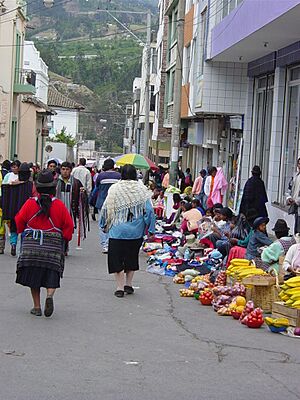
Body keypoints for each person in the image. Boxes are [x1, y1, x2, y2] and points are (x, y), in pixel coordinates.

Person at [15, 171, 74, 317]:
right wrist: (65, 239)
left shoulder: (30, 203)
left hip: (32, 247)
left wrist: (23, 231)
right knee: (51, 274)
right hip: (52, 248)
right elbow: (68, 225)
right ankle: (49, 296)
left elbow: (19, 221)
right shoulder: (59, 205)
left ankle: (36, 306)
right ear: (53, 188)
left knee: (33, 276)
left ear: (37, 187)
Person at [99, 164, 156, 298]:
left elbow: (106, 208)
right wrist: (151, 229)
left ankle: (119, 287)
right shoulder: (142, 189)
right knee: (131, 257)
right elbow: (149, 211)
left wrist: (103, 224)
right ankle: (128, 285)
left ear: (122, 175)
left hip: (117, 230)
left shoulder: (115, 189)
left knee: (116, 259)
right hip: (135, 231)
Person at [1, 163, 35, 256]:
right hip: (26, 212)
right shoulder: (31, 185)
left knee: (13, 229)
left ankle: (13, 244)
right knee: (25, 230)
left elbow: (6, 197)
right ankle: (23, 247)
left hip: (13, 211)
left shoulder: (12, 184)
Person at [56, 161, 84, 255]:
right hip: (57, 210)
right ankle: (59, 246)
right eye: (63, 169)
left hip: (70, 210)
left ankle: (65, 245)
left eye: (67, 169)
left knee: (67, 229)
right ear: (60, 170)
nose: (65, 171)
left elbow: (82, 197)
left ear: (70, 171)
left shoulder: (76, 182)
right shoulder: (55, 182)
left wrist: (82, 193)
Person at [95, 159, 121, 253]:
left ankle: (105, 245)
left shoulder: (101, 175)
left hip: (102, 202)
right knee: (113, 223)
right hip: (115, 203)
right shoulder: (119, 176)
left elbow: (97, 186)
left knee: (102, 224)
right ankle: (110, 242)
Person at [287, 157, 300, 233]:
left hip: (297, 204)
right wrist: (289, 198)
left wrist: (296, 201)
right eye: (298, 164)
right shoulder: (295, 176)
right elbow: (289, 189)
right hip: (295, 207)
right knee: (296, 228)